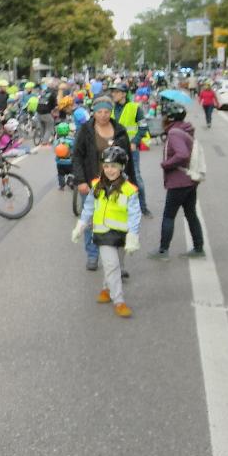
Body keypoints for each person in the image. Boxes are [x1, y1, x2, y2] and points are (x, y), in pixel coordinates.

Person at [72, 146, 141, 317]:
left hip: (122, 234)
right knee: (112, 265)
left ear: (122, 167)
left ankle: (105, 288)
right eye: (107, 166)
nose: (110, 170)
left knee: (116, 264)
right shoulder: (96, 185)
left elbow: (134, 214)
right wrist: (81, 224)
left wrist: (133, 234)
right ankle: (119, 301)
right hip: (103, 233)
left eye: (114, 166)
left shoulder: (129, 190)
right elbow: (88, 206)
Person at [72, 97, 133, 270]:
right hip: (93, 184)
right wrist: (81, 181)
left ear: (111, 111)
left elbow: (128, 159)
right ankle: (92, 255)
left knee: (117, 221)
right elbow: (76, 156)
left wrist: (132, 184)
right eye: (99, 112)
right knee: (91, 221)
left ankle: (118, 263)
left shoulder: (120, 130)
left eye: (107, 111)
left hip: (117, 184)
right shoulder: (86, 130)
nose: (103, 115)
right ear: (94, 112)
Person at [149, 102, 205, 260]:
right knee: (191, 214)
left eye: (165, 115)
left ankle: (163, 251)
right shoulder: (184, 129)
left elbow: (182, 154)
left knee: (168, 216)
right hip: (189, 180)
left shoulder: (174, 133)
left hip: (178, 181)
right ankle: (199, 247)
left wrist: (165, 164)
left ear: (170, 117)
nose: (163, 118)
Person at [109, 83, 151, 217]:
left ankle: (143, 207)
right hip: (114, 149)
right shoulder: (110, 109)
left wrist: (135, 142)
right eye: (113, 92)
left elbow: (143, 127)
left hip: (131, 149)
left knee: (136, 177)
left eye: (116, 92)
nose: (113, 94)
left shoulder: (135, 108)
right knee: (114, 176)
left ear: (123, 94)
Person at [52, 122, 75, 190]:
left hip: (59, 162)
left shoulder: (57, 141)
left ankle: (61, 185)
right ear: (68, 131)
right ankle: (70, 180)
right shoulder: (71, 140)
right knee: (73, 172)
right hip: (70, 161)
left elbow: (54, 149)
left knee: (60, 174)